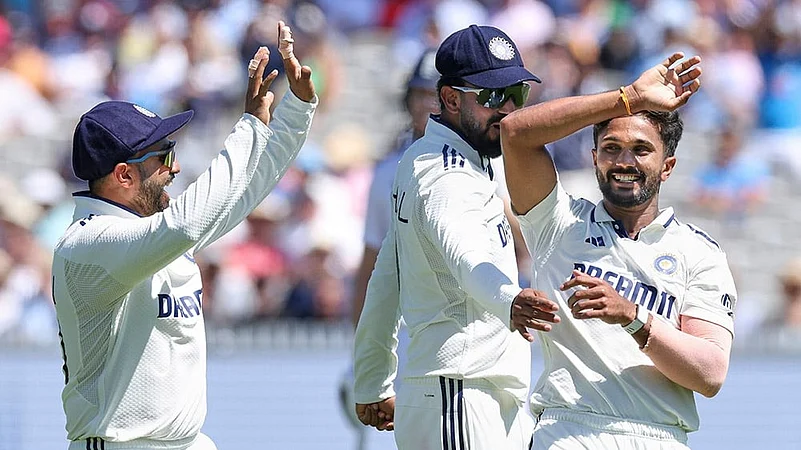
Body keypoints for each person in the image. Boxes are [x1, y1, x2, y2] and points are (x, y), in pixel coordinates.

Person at [51, 21, 317, 450]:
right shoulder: (88, 244)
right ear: (123, 174)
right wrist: (247, 126)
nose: (174, 168)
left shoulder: (157, 234)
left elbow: (241, 195)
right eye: (163, 156)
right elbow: (188, 223)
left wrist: (294, 112)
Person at [500, 53, 737, 449]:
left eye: (641, 150)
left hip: (660, 433)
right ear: (594, 159)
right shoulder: (557, 223)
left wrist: (633, 316)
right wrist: (629, 97)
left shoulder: (701, 253)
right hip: (568, 430)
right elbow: (515, 132)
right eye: (611, 148)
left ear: (667, 166)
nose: (624, 162)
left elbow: (710, 374)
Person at [352, 25, 560, 449]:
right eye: (489, 97)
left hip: (469, 393)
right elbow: (465, 255)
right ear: (449, 99)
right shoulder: (445, 173)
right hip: (460, 395)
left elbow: (386, 282)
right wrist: (510, 299)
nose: (505, 109)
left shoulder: (440, 161)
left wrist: (372, 379)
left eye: (515, 94)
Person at [339, 47, 439, 449]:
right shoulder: (387, 173)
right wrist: (363, 351)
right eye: (421, 94)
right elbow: (370, 266)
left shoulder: (491, 167)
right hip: (411, 338)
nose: (429, 104)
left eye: (437, 93)